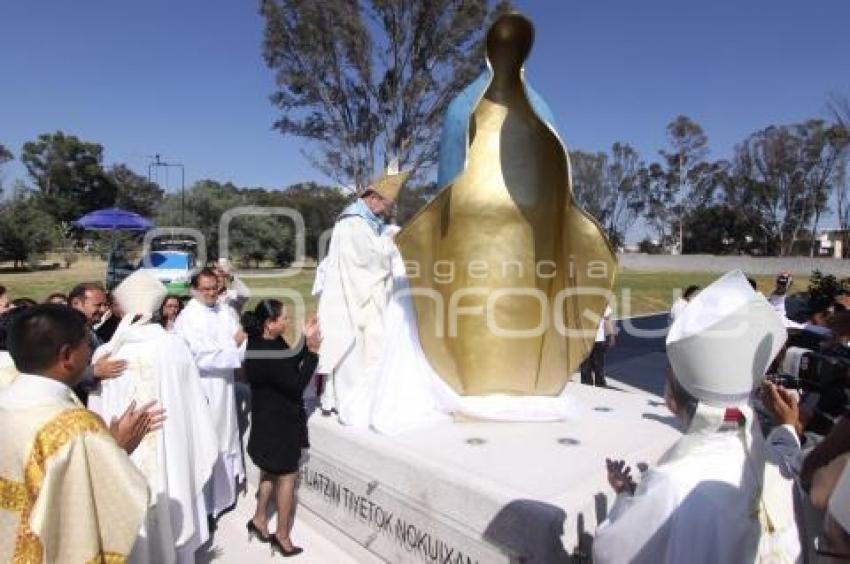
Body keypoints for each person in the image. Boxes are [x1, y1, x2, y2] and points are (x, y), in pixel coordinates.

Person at [593, 270, 800, 563]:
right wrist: (787, 426)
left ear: (673, 396)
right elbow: (787, 455)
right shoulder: (772, 462)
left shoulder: (671, 485)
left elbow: (611, 553)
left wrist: (627, 499)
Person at [0, 305, 156, 562]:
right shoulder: (75, 429)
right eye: (87, 346)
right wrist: (117, 449)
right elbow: (88, 512)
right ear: (67, 356)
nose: (90, 355)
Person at [88, 271, 220, 564]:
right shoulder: (173, 347)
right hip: (169, 448)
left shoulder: (105, 354)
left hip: (121, 447)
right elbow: (195, 404)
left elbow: (95, 412)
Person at [316, 168, 408, 426]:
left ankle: (360, 396)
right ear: (374, 198)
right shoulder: (353, 222)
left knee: (369, 343)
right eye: (386, 205)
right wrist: (391, 242)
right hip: (350, 296)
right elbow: (368, 259)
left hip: (363, 291)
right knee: (352, 345)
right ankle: (347, 400)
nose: (386, 212)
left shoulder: (367, 222)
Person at [242, 300, 321, 557]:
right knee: (286, 477)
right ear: (269, 323)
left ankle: (259, 519)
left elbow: (287, 361)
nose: (287, 322)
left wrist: (303, 340)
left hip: (266, 423)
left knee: (268, 472)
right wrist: (312, 353)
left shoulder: (261, 342)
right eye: (283, 319)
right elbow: (296, 383)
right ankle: (282, 535)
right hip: (279, 426)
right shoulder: (267, 353)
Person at [174, 267, 246, 519]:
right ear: (194, 290)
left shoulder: (225, 311)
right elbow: (198, 355)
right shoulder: (188, 318)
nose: (211, 293)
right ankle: (206, 506)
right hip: (202, 387)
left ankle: (224, 498)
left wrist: (234, 345)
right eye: (205, 289)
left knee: (227, 436)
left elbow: (241, 336)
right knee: (208, 440)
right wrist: (232, 346)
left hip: (224, 385)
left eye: (215, 288)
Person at [69, 282, 127, 402]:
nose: (103, 309)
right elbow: (55, 371)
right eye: (98, 305)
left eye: (105, 305)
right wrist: (93, 372)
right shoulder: (64, 330)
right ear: (76, 303)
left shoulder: (90, 330)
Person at [579, 304, 615, 387]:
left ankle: (600, 385)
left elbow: (607, 319)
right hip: (584, 340)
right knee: (585, 366)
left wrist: (612, 334)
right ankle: (586, 386)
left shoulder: (603, 302)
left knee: (598, 366)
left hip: (598, 340)